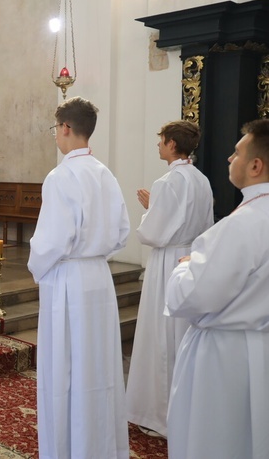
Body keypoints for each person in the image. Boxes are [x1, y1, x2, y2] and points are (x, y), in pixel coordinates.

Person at [28, 97, 130, 459]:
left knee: (65, 368)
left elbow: (51, 241)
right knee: (98, 365)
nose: (56, 134)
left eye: (56, 128)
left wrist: (36, 265)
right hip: (98, 277)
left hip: (67, 278)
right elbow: (121, 232)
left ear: (66, 128)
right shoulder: (105, 173)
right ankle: (100, 447)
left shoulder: (61, 176)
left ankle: (68, 449)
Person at [165, 119, 269, 459]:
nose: (229, 158)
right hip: (260, 346)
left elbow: (191, 296)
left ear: (255, 165)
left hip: (226, 355)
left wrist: (183, 269)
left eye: (237, 153)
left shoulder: (242, 224)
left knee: (215, 439)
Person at [126, 120, 214, 438]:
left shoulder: (167, 181)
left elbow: (153, 232)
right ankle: (187, 409)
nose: (158, 145)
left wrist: (151, 208)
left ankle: (161, 416)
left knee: (161, 337)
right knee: (183, 335)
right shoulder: (201, 180)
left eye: (161, 140)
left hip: (167, 262)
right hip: (191, 258)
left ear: (173, 145)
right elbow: (204, 223)